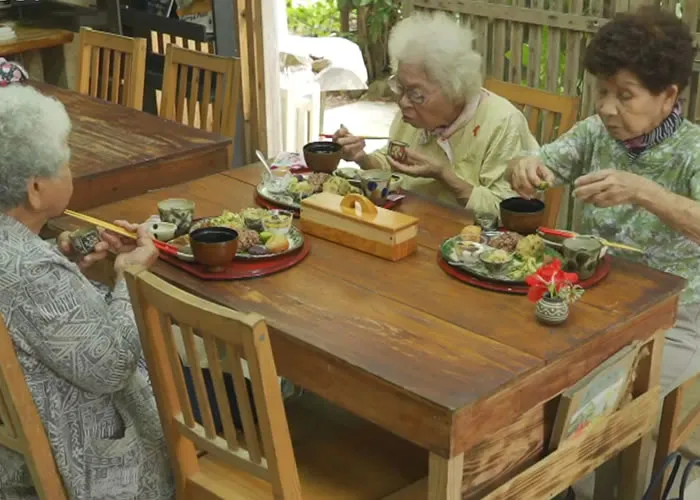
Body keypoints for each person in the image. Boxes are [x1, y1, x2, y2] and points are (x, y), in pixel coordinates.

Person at [506, 7, 700, 400]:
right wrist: (524, 167)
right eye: (603, 91)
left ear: (668, 97)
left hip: (674, 316)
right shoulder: (595, 133)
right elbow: (542, 165)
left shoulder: (692, 150)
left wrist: (644, 191)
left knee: (604, 400)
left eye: (624, 95)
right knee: (519, 369)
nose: (607, 107)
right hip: (591, 294)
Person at [0, 85, 174, 499]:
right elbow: (112, 365)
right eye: (65, 161)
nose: (71, 169)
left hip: (15, 443)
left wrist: (65, 257)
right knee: (219, 392)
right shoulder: (32, 273)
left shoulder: (19, 251)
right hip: (86, 461)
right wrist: (129, 276)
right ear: (35, 189)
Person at [333, 11, 538, 215]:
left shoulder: (502, 123)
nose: (403, 101)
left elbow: (507, 212)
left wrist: (445, 176)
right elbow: (393, 165)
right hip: (412, 223)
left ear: (454, 89)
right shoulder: (412, 117)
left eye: (416, 93)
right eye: (400, 87)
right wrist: (362, 158)